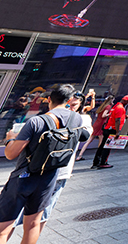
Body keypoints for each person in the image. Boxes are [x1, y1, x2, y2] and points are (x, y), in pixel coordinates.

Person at [0, 85, 88, 244]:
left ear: (48, 99)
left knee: (3, 227)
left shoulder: (36, 121)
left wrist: (10, 139)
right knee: (33, 224)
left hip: (23, 177)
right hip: (49, 177)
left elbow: (10, 154)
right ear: (69, 100)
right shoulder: (76, 118)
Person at [91, 95, 128, 169]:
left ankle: (97, 162)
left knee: (103, 145)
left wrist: (124, 116)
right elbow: (117, 120)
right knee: (107, 146)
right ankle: (102, 162)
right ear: (124, 101)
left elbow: (114, 116)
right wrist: (117, 132)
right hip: (112, 129)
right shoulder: (120, 108)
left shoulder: (116, 106)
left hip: (108, 128)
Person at [75, 94, 112, 161]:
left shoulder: (102, 106)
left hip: (96, 123)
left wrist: (92, 97)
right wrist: (110, 114)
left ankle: (80, 155)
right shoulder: (108, 107)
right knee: (101, 141)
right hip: (101, 124)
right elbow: (103, 115)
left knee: (89, 140)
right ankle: (98, 156)